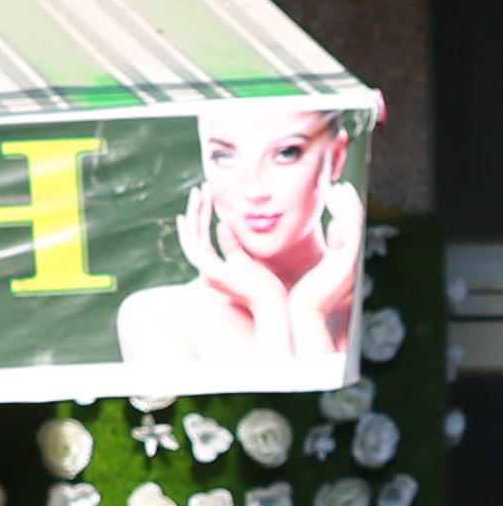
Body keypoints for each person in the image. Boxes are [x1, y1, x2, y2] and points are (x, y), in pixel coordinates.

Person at [115, 97, 369, 387]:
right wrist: (269, 307)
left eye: (287, 153)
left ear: (336, 156)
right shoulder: (157, 317)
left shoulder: (377, 304)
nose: (255, 190)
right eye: (224, 156)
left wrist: (308, 313)